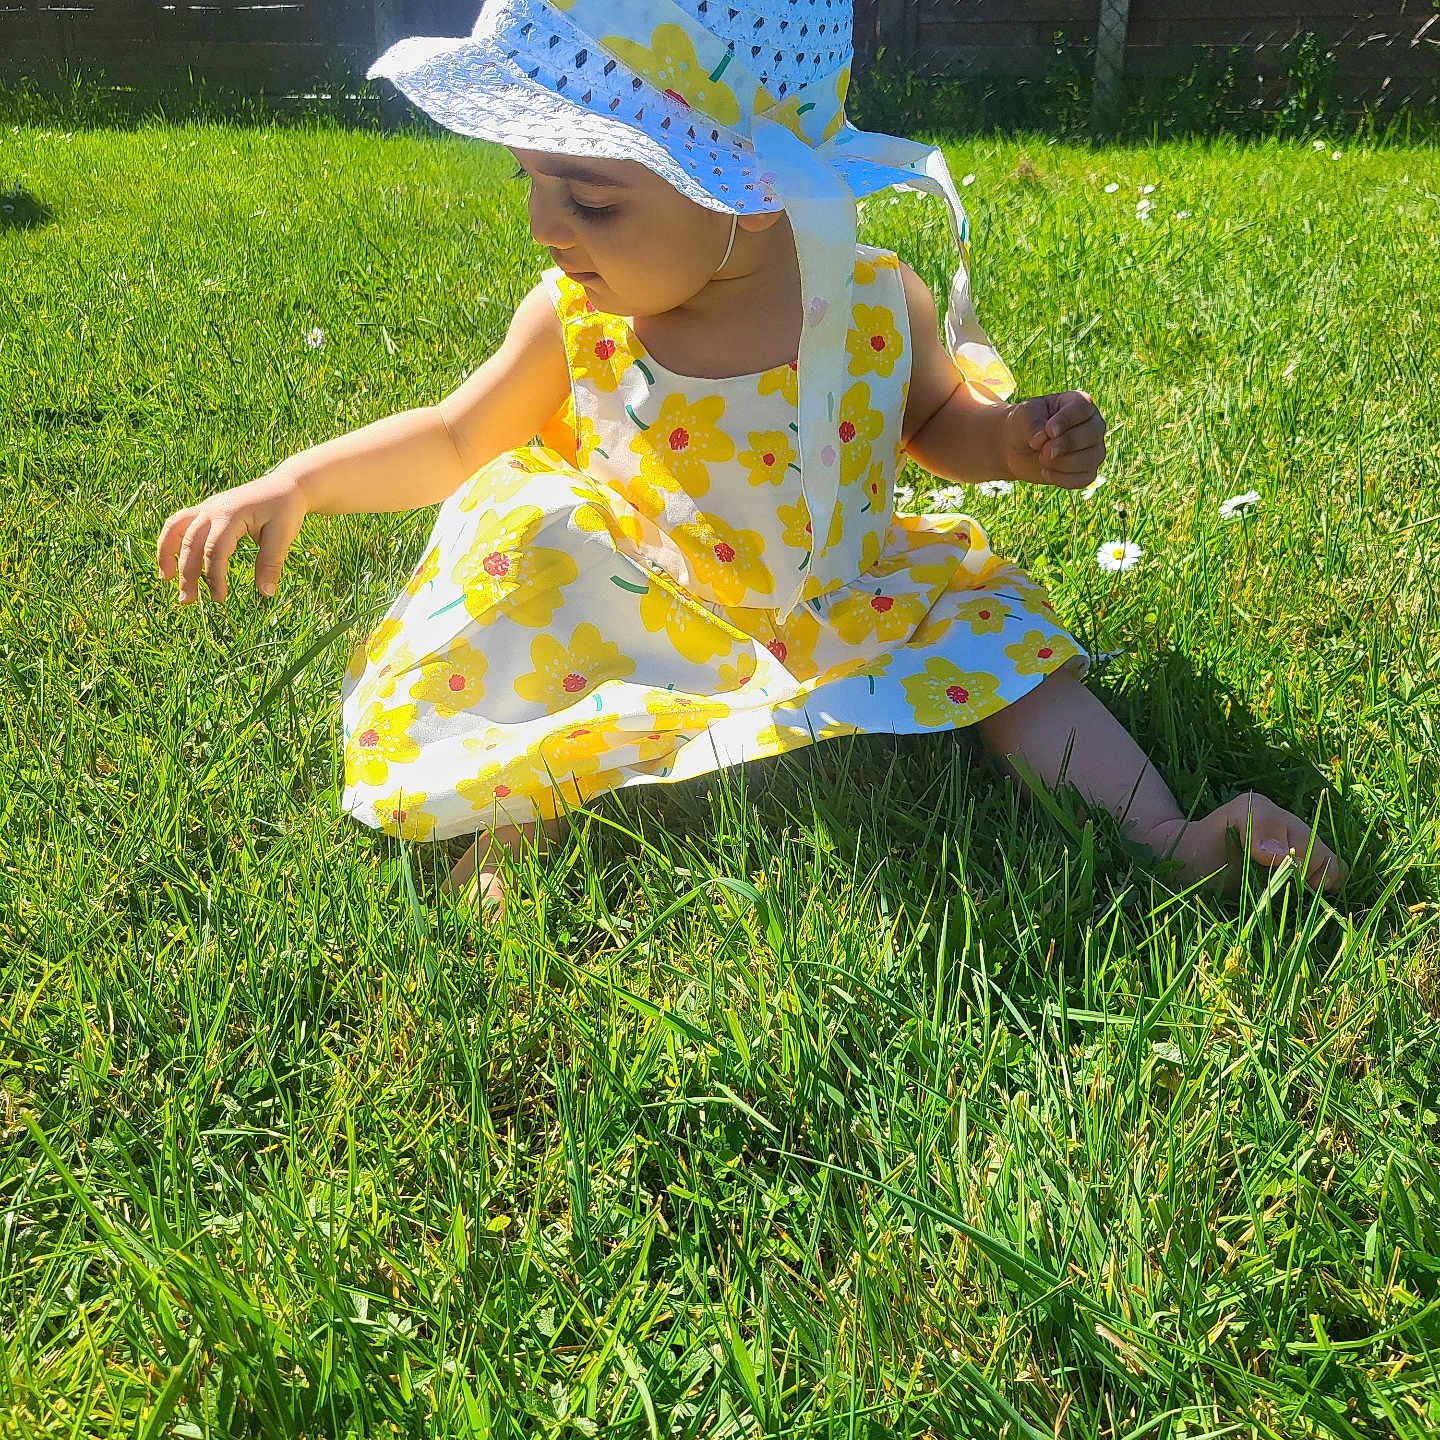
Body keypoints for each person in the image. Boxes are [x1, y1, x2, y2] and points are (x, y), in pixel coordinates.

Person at [155, 0, 1345, 917]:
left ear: (755, 195)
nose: (544, 225)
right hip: (635, 594)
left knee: (1017, 659)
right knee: (531, 561)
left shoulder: (874, 304)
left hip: (838, 591)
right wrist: (296, 480)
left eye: (591, 196)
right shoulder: (575, 319)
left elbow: (932, 424)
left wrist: (1012, 444)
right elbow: (458, 436)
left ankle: (1171, 836)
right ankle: (505, 825)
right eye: (533, 183)